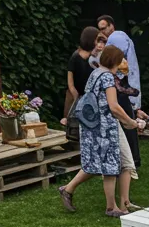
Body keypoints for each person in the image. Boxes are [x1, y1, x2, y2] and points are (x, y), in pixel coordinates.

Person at [58, 45, 140, 217]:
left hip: (91, 126)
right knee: (109, 166)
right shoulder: (108, 78)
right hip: (104, 127)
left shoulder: (94, 73)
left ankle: (118, 204)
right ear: (115, 61)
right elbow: (114, 106)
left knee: (102, 165)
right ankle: (112, 208)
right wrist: (131, 122)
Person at [61, 25, 99, 141]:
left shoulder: (94, 58)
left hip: (90, 96)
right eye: (97, 39)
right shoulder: (75, 57)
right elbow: (70, 82)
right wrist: (76, 95)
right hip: (77, 95)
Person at [97, 13, 141, 108]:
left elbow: (114, 61)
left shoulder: (115, 37)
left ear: (111, 25)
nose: (102, 32)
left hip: (122, 83)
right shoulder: (119, 36)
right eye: (100, 29)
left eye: (104, 28)